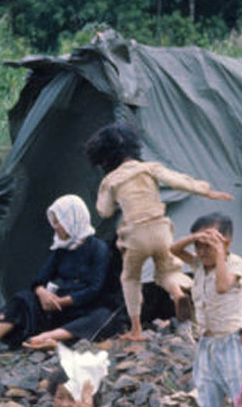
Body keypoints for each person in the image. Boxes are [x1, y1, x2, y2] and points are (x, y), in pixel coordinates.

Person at [86, 122, 233, 341]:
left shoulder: (111, 180)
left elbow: (104, 211)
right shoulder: (150, 167)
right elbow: (179, 181)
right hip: (161, 229)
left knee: (131, 278)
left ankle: (136, 330)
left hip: (135, 235)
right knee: (168, 270)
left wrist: (107, 194)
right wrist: (206, 191)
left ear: (105, 156)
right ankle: (178, 293)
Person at [0, 195, 118, 362]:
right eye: (55, 223)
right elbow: (40, 279)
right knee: (22, 299)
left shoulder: (98, 249)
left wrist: (63, 302)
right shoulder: (61, 248)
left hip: (82, 307)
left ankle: (47, 337)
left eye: (59, 222)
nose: (56, 227)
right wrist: (42, 293)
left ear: (72, 220)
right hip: (54, 307)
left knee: (102, 317)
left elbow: (95, 288)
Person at [157, 213, 242, 407]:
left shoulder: (235, 264)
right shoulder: (199, 265)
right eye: (199, 246)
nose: (201, 251)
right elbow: (172, 250)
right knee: (209, 397)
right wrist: (195, 238)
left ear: (227, 242)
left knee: (239, 395)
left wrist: (219, 252)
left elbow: (222, 286)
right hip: (207, 341)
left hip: (231, 339)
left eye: (208, 245)